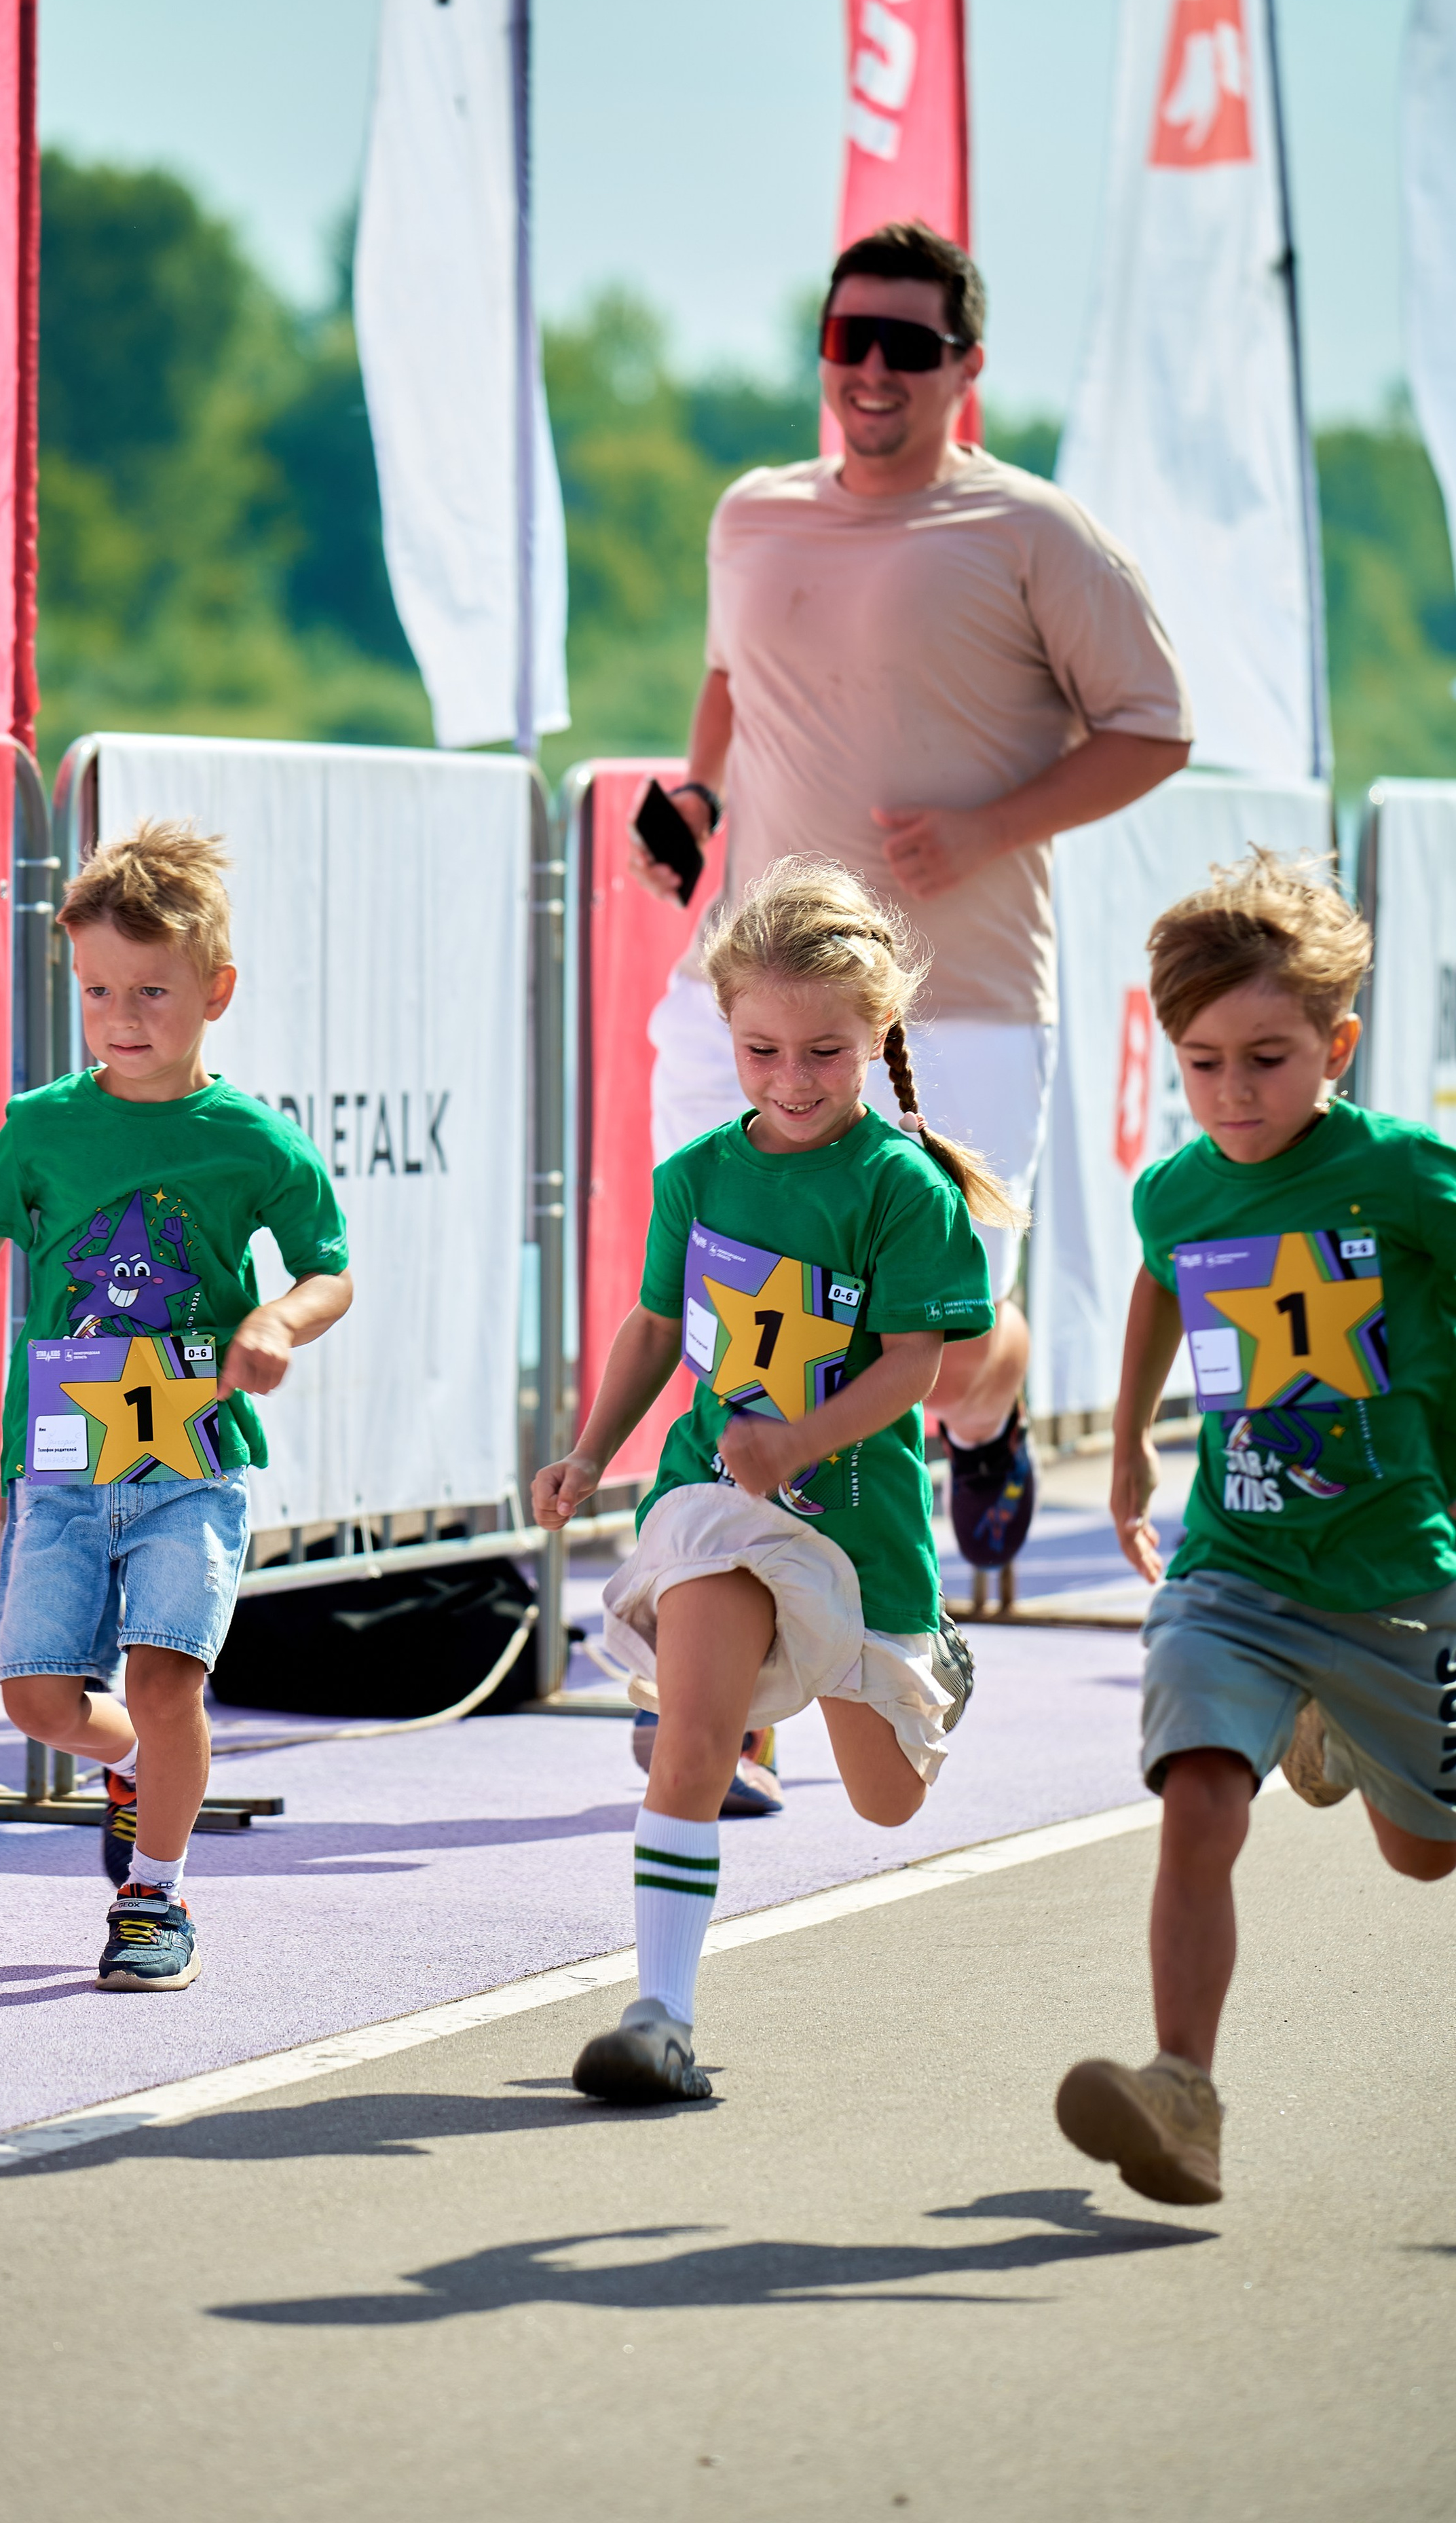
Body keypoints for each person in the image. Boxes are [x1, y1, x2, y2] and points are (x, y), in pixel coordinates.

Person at [633, 219, 1194, 1596]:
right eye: (849, 339)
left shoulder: (1030, 530)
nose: (872, 369)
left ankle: (987, 1410)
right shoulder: (751, 513)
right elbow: (730, 678)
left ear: (965, 367)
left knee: (940, 1349)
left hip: (958, 1001)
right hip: (746, 994)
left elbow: (1155, 726)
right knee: (728, 1315)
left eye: (906, 344)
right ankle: (735, 1625)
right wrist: (697, 799)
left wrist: (988, 827)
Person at [534, 857, 1015, 2102]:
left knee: (887, 1802)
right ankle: (659, 2015)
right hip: (713, 1499)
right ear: (728, 1030)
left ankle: (932, 1661)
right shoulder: (698, 1174)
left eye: (824, 1054)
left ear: (877, 1036)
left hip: (852, 1523)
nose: (792, 1080)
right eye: (762, 1051)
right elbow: (655, 1326)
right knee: (690, 1742)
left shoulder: (900, 1188)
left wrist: (800, 1445)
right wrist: (591, 1451)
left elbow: (913, 1367)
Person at [0, 820, 352, 1993]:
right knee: (39, 1701)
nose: (122, 1016)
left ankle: (155, 1896)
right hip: (61, 1464)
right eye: (98, 991)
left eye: (152, 991)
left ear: (215, 991)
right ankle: (138, 1761)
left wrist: (275, 1323)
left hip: (191, 1462)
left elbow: (328, 1270)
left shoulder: (254, 1141)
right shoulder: (43, 1125)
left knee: (167, 1677)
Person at [1056, 851, 1456, 2205]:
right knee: (1197, 1800)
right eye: (1202, 1063)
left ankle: (1332, 1727)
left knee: (1426, 1854)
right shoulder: (1178, 1190)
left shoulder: (1407, 1177)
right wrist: (1127, 1445)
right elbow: (1160, 1282)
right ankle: (1181, 2092)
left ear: (1336, 1046)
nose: (1233, 1093)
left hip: (1399, 1574)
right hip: (1236, 1565)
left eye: (1268, 1060)